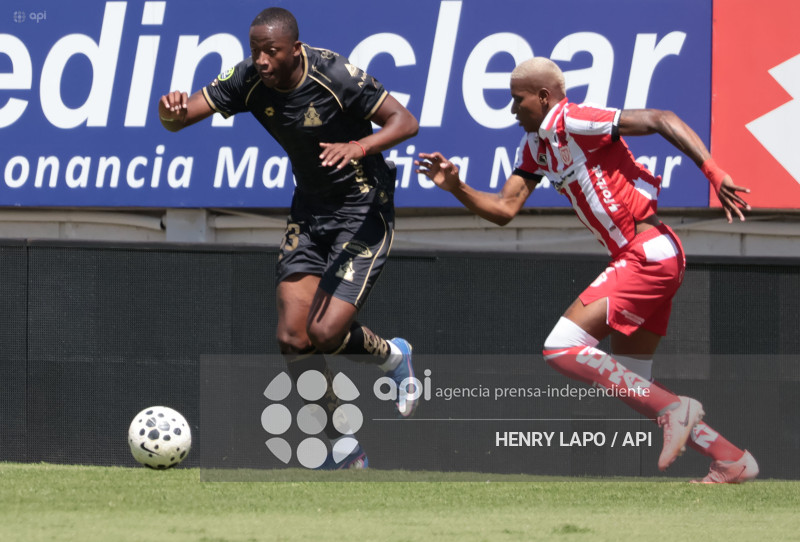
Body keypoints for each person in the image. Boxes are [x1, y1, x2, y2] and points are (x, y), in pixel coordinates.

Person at [416, 57, 758, 483]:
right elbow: (505, 209)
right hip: (650, 255)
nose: (510, 109)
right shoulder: (535, 148)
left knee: (561, 347)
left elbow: (660, 118)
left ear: (543, 97)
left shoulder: (574, 119)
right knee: (636, 385)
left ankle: (677, 410)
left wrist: (713, 170)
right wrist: (457, 187)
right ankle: (730, 459)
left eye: (516, 100)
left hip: (646, 253)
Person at [158, 7, 420, 469]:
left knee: (324, 331)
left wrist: (359, 146)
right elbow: (181, 118)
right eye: (255, 50)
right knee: (294, 340)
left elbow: (405, 122)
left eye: (270, 51)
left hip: (362, 209)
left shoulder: (337, 75)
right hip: (310, 210)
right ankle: (343, 446)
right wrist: (171, 114)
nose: (260, 60)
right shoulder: (247, 79)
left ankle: (393, 358)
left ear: (294, 49)